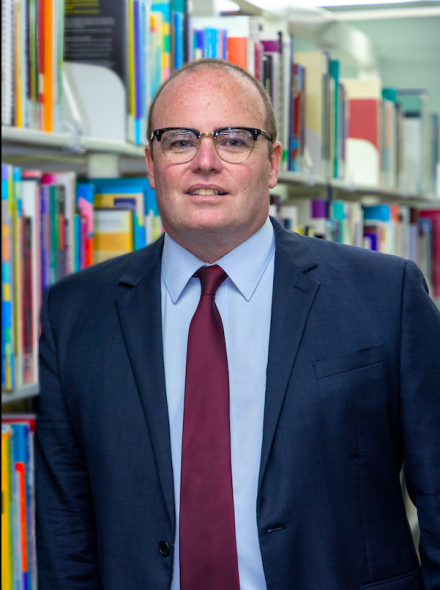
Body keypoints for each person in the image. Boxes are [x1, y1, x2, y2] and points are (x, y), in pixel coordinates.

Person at [35, 58, 440, 590]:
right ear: (152, 165)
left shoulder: (386, 294)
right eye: (180, 141)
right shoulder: (75, 313)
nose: (206, 162)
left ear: (272, 163)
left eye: (233, 140)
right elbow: (65, 529)